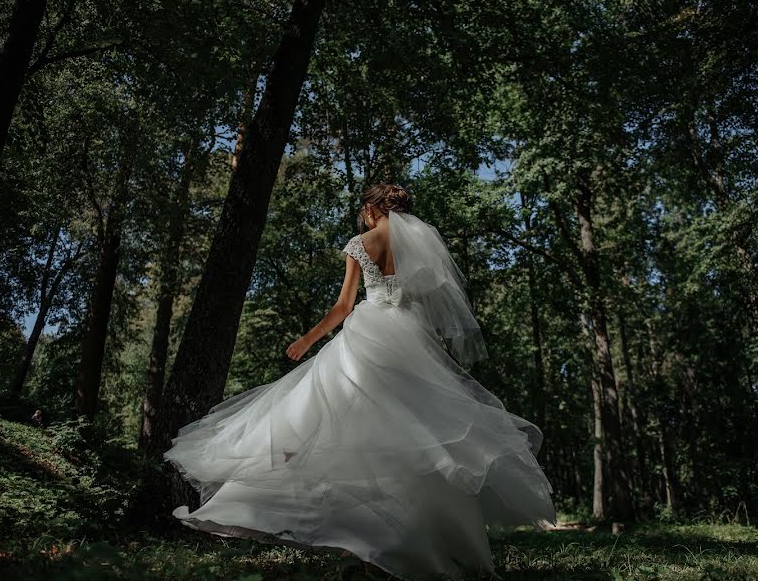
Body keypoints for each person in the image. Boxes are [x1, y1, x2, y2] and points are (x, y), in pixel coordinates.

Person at [163, 184, 556, 580]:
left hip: (368, 334)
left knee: (328, 422)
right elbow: (431, 303)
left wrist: (307, 339)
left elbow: (343, 307)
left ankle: (365, 542)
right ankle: (422, 543)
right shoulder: (421, 244)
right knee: (416, 439)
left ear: (371, 209)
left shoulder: (359, 244)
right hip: (409, 338)